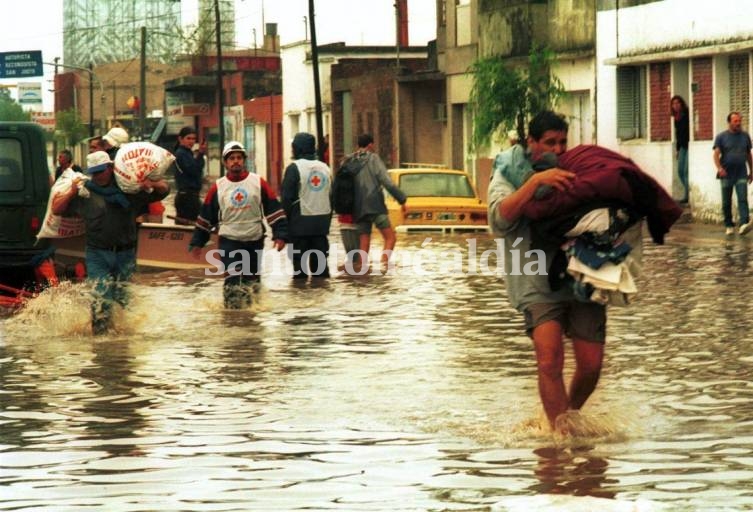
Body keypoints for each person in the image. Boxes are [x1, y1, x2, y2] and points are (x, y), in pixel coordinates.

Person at [488, 110, 605, 432]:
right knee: (549, 360)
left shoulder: (576, 168)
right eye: (550, 142)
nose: (557, 149)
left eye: (563, 142)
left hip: (581, 273)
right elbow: (499, 220)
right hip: (533, 275)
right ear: (532, 143)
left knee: (592, 365)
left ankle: (567, 415)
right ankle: (560, 440)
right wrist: (536, 182)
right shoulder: (507, 171)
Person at [51, 151, 170, 334]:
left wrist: (150, 183)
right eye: (94, 172)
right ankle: (100, 341)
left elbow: (164, 189)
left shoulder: (129, 188)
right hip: (98, 252)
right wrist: (71, 191)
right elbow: (56, 209)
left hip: (126, 252)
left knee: (122, 298)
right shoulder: (85, 192)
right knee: (100, 296)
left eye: (101, 171)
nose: (98, 176)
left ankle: (120, 342)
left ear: (110, 168)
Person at [189, 141, 288, 309]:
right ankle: (233, 320)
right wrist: (197, 242)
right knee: (232, 283)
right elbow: (206, 217)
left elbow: (274, 210)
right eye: (232, 158)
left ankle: (251, 320)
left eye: (239, 158)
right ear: (225, 162)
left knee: (252, 282)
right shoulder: (218, 187)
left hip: (254, 239)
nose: (236, 161)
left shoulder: (258, 182)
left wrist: (280, 236)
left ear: (244, 160)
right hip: (229, 241)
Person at [281, 132, 333, 279]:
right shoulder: (325, 168)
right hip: (321, 228)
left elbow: (286, 199)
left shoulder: (294, 168)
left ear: (297, 148)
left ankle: (302, 301)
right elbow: (331, 197)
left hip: (299, 228)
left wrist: (286, 226)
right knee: (321, 274)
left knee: (300, 274)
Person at [352, 133, 407, 269]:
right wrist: (402, 199)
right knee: (390, 238)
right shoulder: (374, 159)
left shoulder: (351, 160)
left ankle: (361, 271)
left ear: (358, 145)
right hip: (375, 205)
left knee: (364, 242)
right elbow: (387, 182)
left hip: (358, 207)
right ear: (370, 145)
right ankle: (384, 266)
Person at [713, 111, 753, 236]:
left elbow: (748, 155)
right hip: (726, 174)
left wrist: (752, 171)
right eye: (735, 121)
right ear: (729, 122)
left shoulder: (745, 136)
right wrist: (720, 168)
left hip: (741, 173)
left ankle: (743, 224)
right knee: (726, 201)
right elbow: (716, 154)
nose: (738, 123)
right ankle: (729, 224)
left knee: (742, 198)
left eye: (739, 121)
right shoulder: (721, 137)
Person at [173, 126, 207, 224]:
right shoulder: (181, 154)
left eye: (193, 139)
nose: (191, 141)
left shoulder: (188, 153)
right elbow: (194, 170)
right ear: (180, 139)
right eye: (188, 138)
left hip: (191, 196)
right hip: (187, 198)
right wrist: (200, 154)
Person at [671, 95, 690, 203]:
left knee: (686, 171)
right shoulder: (676, 118)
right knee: (680, 171)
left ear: (682, 104)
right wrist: (678, 149)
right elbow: (678, 134)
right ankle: (688, 191)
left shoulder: (687, 114)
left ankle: (687, 196)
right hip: (682, 146)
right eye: (673, 104)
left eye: (678, 103)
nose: (676, 105)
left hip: (689, 145)